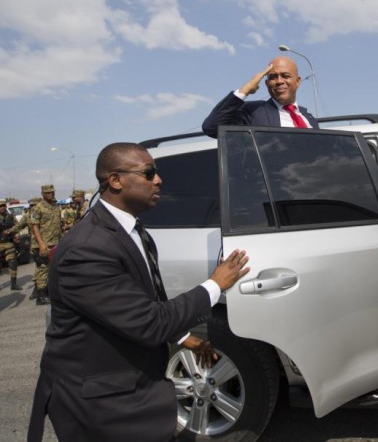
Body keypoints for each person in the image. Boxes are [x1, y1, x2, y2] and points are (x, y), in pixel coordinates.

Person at [28, 142, 251, 442]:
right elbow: (148, 322)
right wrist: (215, 285)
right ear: (116, 181)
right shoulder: (87, 248)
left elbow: (138, 305)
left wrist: (184, 338)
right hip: (99, 404)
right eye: (148, 173)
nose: (158, 180)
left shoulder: (134, 232)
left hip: (130, 390)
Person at [202, 56, 319, 137]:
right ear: (267, 83)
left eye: (285, 76)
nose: (279, 81)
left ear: (298, 81)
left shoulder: (309, 119)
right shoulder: (254, 112)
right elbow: (211, 127)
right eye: (273, 77)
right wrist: (245, 89)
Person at [29, 185, 61, 305]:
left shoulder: (55, 207)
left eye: (52, 192)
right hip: (44, 244)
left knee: (53, 268)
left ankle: (49, 292)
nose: (50, 194)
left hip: (55, 243)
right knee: (42, 269)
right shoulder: (38, 208)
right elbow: (34, 226)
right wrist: (41, 244)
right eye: (48, 193)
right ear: (42, 194)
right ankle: (41, 296)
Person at [7, 197, 40, 295]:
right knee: (40, 266)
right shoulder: (27, 216)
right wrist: (10, 232)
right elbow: (18, 226)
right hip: (36, 244)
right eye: (32, 206)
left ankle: (41, 289)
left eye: (35, 205)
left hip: (50, 243)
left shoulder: (46, 214)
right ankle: (38, 289)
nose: (33, 208)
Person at [0, 199, 20, 290]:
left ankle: (13, 284)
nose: (2, 207)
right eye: (0, 206)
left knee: (13, 263)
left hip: (8, 243)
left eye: (3, 206)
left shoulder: (11, 217)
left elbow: (17, 227)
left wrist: (16, 235)